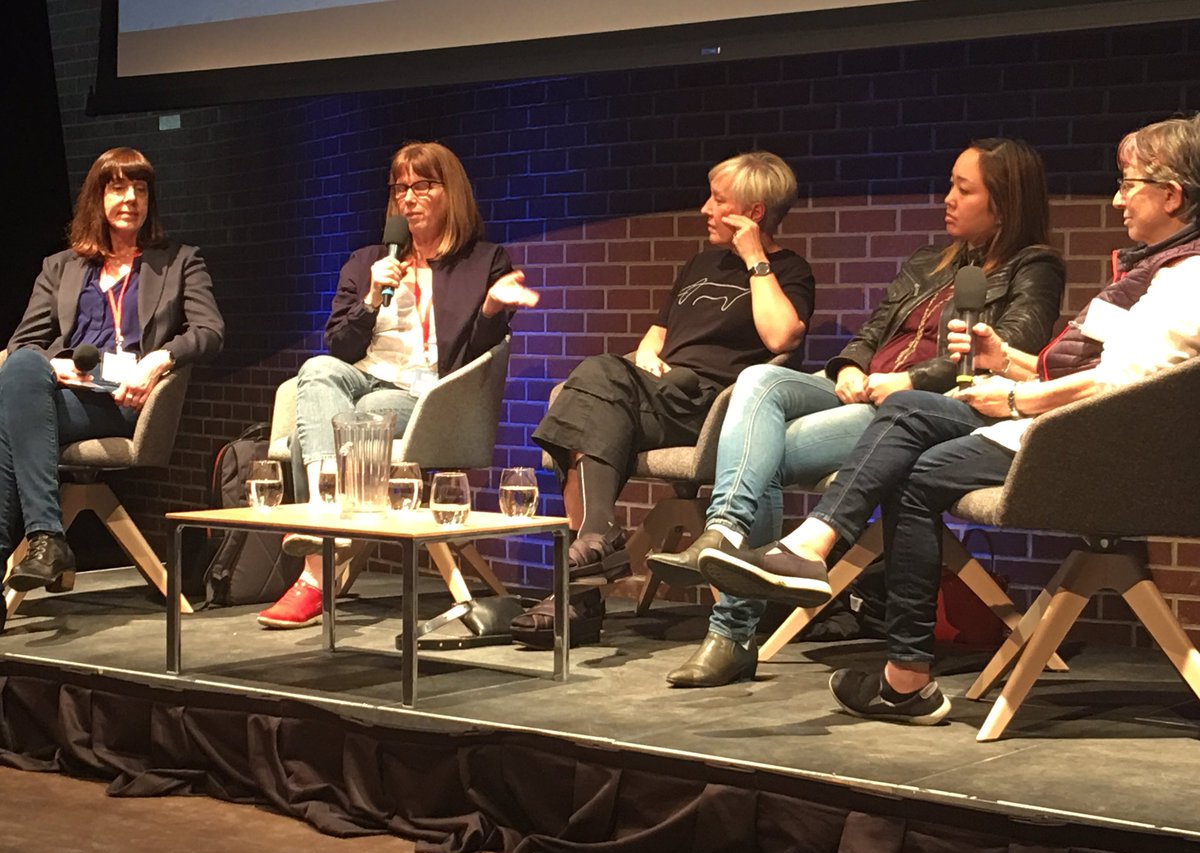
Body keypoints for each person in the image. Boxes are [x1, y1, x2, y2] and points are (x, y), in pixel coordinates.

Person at [693, 113, 1200, 724]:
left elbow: (1124, 385)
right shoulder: (1152, 270)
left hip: (1089, 449)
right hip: (1049, 425)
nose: (1117, 199)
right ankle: (904, 681)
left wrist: (1014, 399)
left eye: (1128, 183)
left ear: (1171, 195)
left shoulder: (1187, 277)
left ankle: (807, 550)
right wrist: (1004, 361)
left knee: (904, 414)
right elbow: (1091, 367)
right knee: (896, 466)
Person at [658, 138, 1065, 687]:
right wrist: (850, 364)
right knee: (758, 379)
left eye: (963, 190)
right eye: (950, 184)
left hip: (918, 408)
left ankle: (731, 635)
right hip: (861, 386)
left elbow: (1007, 351)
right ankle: (725, 532)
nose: (947, 198)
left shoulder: (1035, 267)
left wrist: (908, 381)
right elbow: (873, 331)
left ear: (1004, 203)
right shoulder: (928, 261)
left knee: (759, 456)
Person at [519, 151, 816, 645]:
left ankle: (583, 583)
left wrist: (755, 260)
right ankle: (593, 554)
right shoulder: (699, 263)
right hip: (658, 393)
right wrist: (645, 355)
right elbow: (658, 333)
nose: (705, 209)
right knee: (586, 402)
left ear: (754, 213)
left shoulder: (788, 270)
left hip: (712, 408)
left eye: (718, 200)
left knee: (593, 381)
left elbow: (781, 337)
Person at [257, 140, 538, 629]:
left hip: (426, 394)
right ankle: (325, 511)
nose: (408, 197)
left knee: (331, 426)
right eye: (400, 188)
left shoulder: (484, 260)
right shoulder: (368, 259)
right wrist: (370, 297)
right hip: (361, 375)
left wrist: (493, 308)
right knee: (316, 371)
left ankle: (314, 574)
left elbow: (475, 361)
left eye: (422, 186)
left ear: (450, 192)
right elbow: (338, 344)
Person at [0, 147, 224, 619]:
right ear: (96, 199)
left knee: (6, 419)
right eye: (119, 188)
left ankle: (45, 538)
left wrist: (158, 360)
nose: (131, 199)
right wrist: (56, 367)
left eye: (140, 189)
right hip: (64, 392)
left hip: (123, 398)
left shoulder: (180, 261)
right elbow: (23, 342)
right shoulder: (60, 267)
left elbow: (209, 331)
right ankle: (46, 539)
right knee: (20, 369)